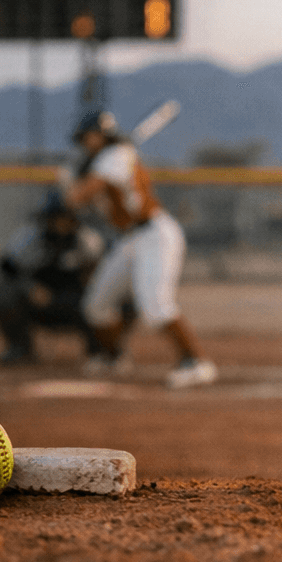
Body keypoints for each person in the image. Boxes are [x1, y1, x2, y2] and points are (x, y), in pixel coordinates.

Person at [64, 109, 218, 389]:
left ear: (100, 135)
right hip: (130, 240)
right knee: (96, 305)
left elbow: (78, 197)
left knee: (156, 306)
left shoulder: (116, 155)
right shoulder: (103, 159)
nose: (84, 143)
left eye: (87, 138)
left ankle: (196, 362)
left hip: (155, 235)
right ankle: (114, 357)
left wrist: (77, 175)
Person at [0, 190, 106, 365]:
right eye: (57, 218)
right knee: (1, 292)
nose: (62, 224)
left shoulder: (89, 241)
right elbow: (2, 273)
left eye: (67, 218)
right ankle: (20, 348)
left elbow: (106, 275)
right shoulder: (27, 240)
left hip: (77, 304)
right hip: (39, 304)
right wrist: (29, 288)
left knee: (117, 296)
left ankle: (102, 350)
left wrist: (90, 283)